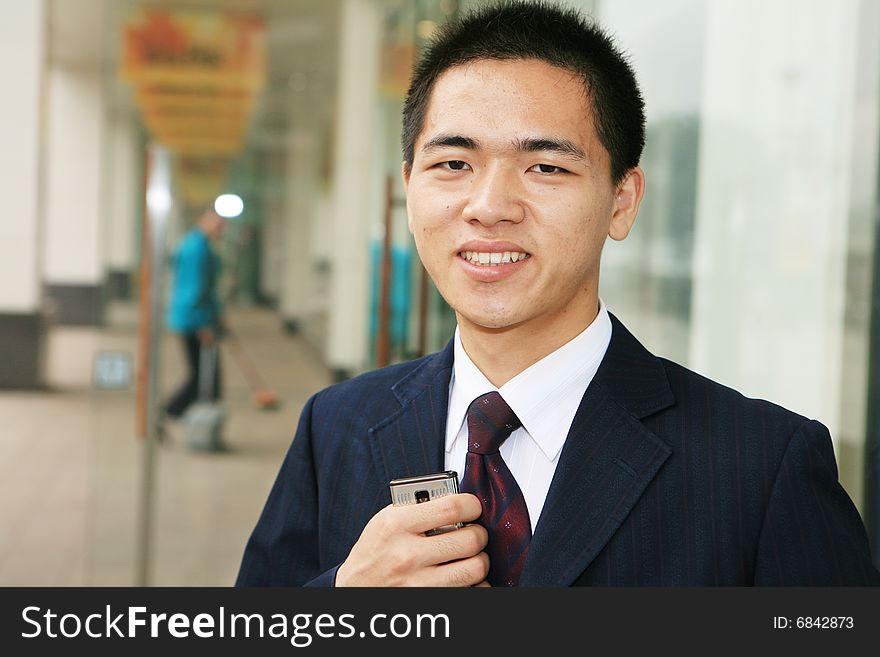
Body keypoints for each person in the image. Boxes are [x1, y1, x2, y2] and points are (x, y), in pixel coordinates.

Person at [236, 1, 880, 586]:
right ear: (410, 188)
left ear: (621, 203)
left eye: (546, 167)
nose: (488, 207)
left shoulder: (759, 467)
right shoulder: (338, 425)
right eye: (453, 164)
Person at [163, 207, 226, 426]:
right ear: (204, 220)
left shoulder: (196, 245)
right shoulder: (197, 250)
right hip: (193, 320)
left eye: (222, 225)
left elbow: (207, 289)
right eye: (217, 224)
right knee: (203, 374)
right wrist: (203, 324)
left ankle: (182, 415)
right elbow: (195, 290)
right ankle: (172, 412)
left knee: (204, 373)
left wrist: (218, 315)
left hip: (193, 317)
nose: (220, 229)